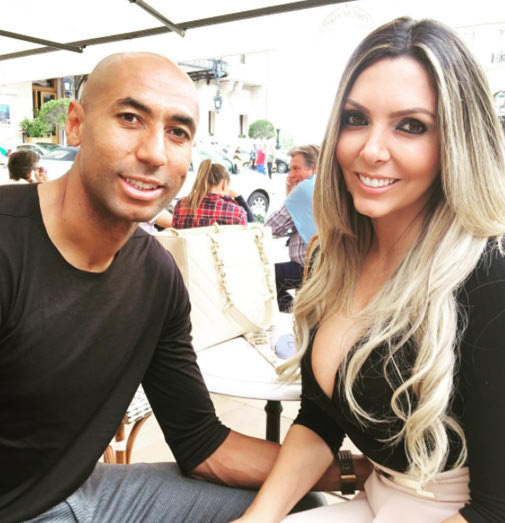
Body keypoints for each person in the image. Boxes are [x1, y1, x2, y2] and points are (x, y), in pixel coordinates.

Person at [0, 52, 335, 523]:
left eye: (177, 132)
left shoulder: (156, 275)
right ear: (75, 124)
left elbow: (202, 444)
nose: (154, 153)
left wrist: (359, 472)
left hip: (76, 493)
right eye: (130, 118)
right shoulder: (8, 240)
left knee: (299, 507)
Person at [237, 17, 505, 523]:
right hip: (374, 500)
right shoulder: (331, 256)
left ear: (457, 143)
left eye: (411, 126)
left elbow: (504, 509)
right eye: (356, 119)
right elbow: (319, 421)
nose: (370, 150)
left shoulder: (500, 276)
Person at [265, 145, 319, 311]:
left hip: (308, 268)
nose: (291, 175)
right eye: (290, 169)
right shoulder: (326, 185)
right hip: (329, 266)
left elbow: (271, 228)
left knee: (263, 276)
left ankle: (297, 310)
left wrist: (290, 194)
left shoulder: (305, 189)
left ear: (314, 169)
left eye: (296, 168)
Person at [171, 158, 253, 228]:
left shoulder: (181, 205)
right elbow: (250, 222)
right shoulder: (237, 213)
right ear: (224, 184)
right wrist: (238, 197)